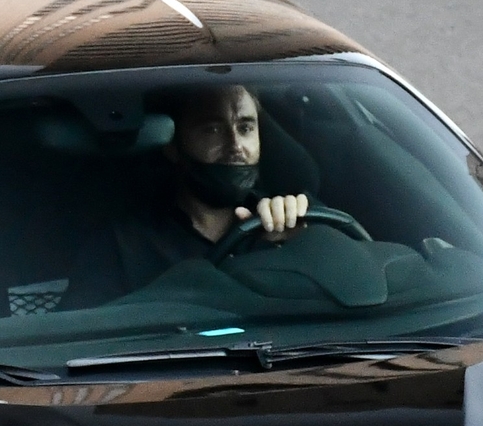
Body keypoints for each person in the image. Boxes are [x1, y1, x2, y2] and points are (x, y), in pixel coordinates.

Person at [71, 83, 311, 302]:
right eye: (213, 130)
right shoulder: (123, 245)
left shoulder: (288, 224)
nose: (236, 146)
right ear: (173, 146)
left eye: (245, 128)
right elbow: (84, 336)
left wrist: (297, 247)